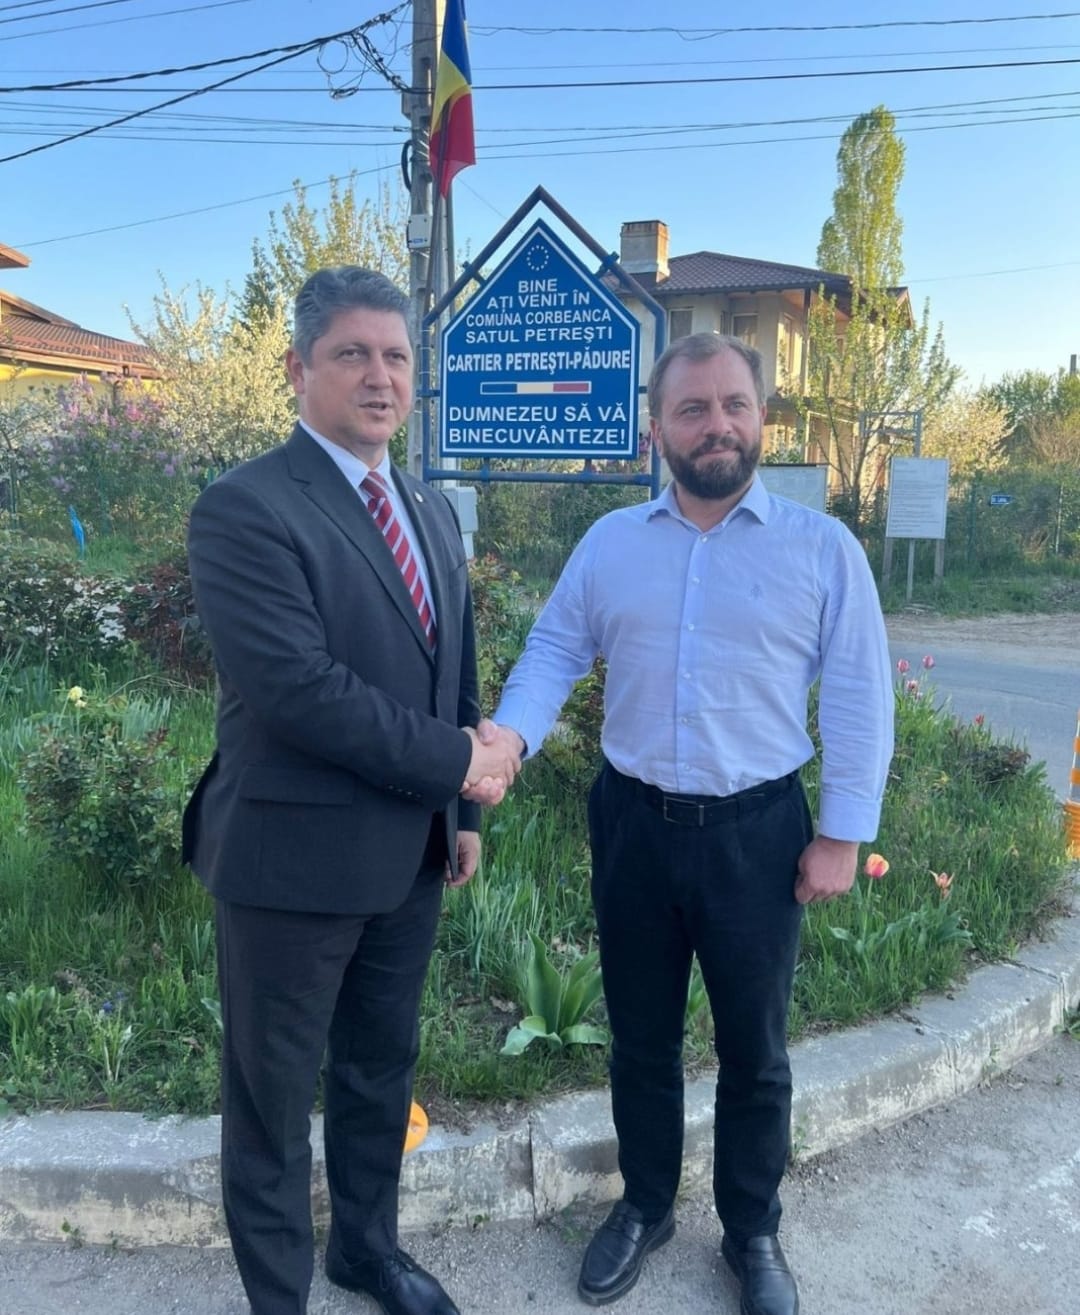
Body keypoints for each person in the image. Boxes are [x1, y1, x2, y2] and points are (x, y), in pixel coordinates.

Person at [487, 332, 894, 1314]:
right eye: (692, 409)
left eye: (733, 405)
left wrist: (842, 833)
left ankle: (752, 1229)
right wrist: (508, 739)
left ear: (762, 417)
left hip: (760, 836)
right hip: (634, 824)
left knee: (756, 1048)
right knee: (640, 1038)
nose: (716, 425)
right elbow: (554, 649)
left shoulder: (822, 550)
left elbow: (858, 692)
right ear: (657, 429)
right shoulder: (611, 545)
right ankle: (646, 1203)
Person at [182, 266, 521, 1315]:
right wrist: (458, 761)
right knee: (273, 1102)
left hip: (410, 854)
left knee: (380, 1070)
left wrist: (461, 813)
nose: (380, 377)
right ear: (298, 369)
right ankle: (278, 1295)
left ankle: (366, 1251)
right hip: (290, 866)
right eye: (352, 354)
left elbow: (454, 665)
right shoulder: (245, 507)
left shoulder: (429, 508)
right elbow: (299, 690)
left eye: (397, 356)